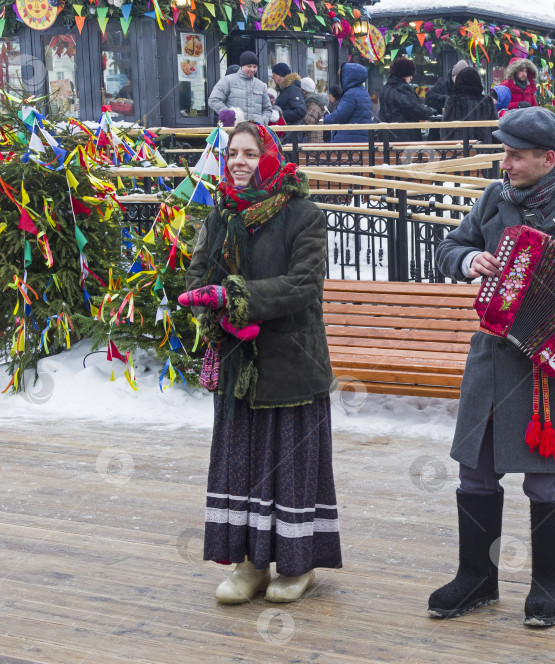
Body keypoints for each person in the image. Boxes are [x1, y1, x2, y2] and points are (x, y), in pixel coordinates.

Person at [430, 107, 555, 627]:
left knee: (544, 484)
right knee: (475, 474)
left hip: (545, 371)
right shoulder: (495, 200)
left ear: (549, 159)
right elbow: (449, 248)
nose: (505, 162)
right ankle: (476, 578)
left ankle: (547, 587)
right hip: (492, 358)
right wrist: (468, 262)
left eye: (516, 155)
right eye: (504, 151)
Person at [180, 121, 341, 604]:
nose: (240, 162)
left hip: (292, 363)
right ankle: (251, 565)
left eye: (251, 153)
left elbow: (304, 285)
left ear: (269, 158)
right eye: (233, 153)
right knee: (243, 464)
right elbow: (195, 271)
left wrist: (235, 297)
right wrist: (206, 300)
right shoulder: (222, 213)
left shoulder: (303, 214)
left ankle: (297, 566)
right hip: (239, 362)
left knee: (289, 466)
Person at [377, 56, 436, 143]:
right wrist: (431, 110)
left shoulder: (386, 88)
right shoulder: (402, 88)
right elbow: (415, 109)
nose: (411, 78)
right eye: (410, 75)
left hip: (387, 136)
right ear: (403, 75)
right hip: (403, 136)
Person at [208, 51, 276, 124]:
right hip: (234, 130)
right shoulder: (228, 81)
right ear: (242, 66)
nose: (252, 70)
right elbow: (213, 100)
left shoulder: (262, 85)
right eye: (249, 66)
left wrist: (263, 121)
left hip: (255, 131)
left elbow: (267, 108)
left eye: (254, 67)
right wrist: (230, 116)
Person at [440, 67, 496, 144]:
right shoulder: (487, 101)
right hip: (484, 147)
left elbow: (446, 129)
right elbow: (494, 128)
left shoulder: (453, 100)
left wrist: (446, 147)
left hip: (459, 148)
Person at [323, 62, 373, 143]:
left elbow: (339, 116)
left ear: (347, 77)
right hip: (359, 137)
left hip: (349, 140)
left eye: (341, 76)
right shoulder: (362, 91)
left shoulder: (351, 94)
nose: (340, 80)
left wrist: (325, 118)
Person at [425, 58, 469, 140]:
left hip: (461, 132)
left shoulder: (468, 87)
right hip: (439, 132)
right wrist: (448, 100)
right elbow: (429, 97)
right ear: (453, 76)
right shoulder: (443, 84)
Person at [300, 76, 328, 143]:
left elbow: (306, 125)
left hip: (312, 145)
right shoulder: (312, 103)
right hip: (314, 143)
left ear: (304, 90)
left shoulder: (313, 105)